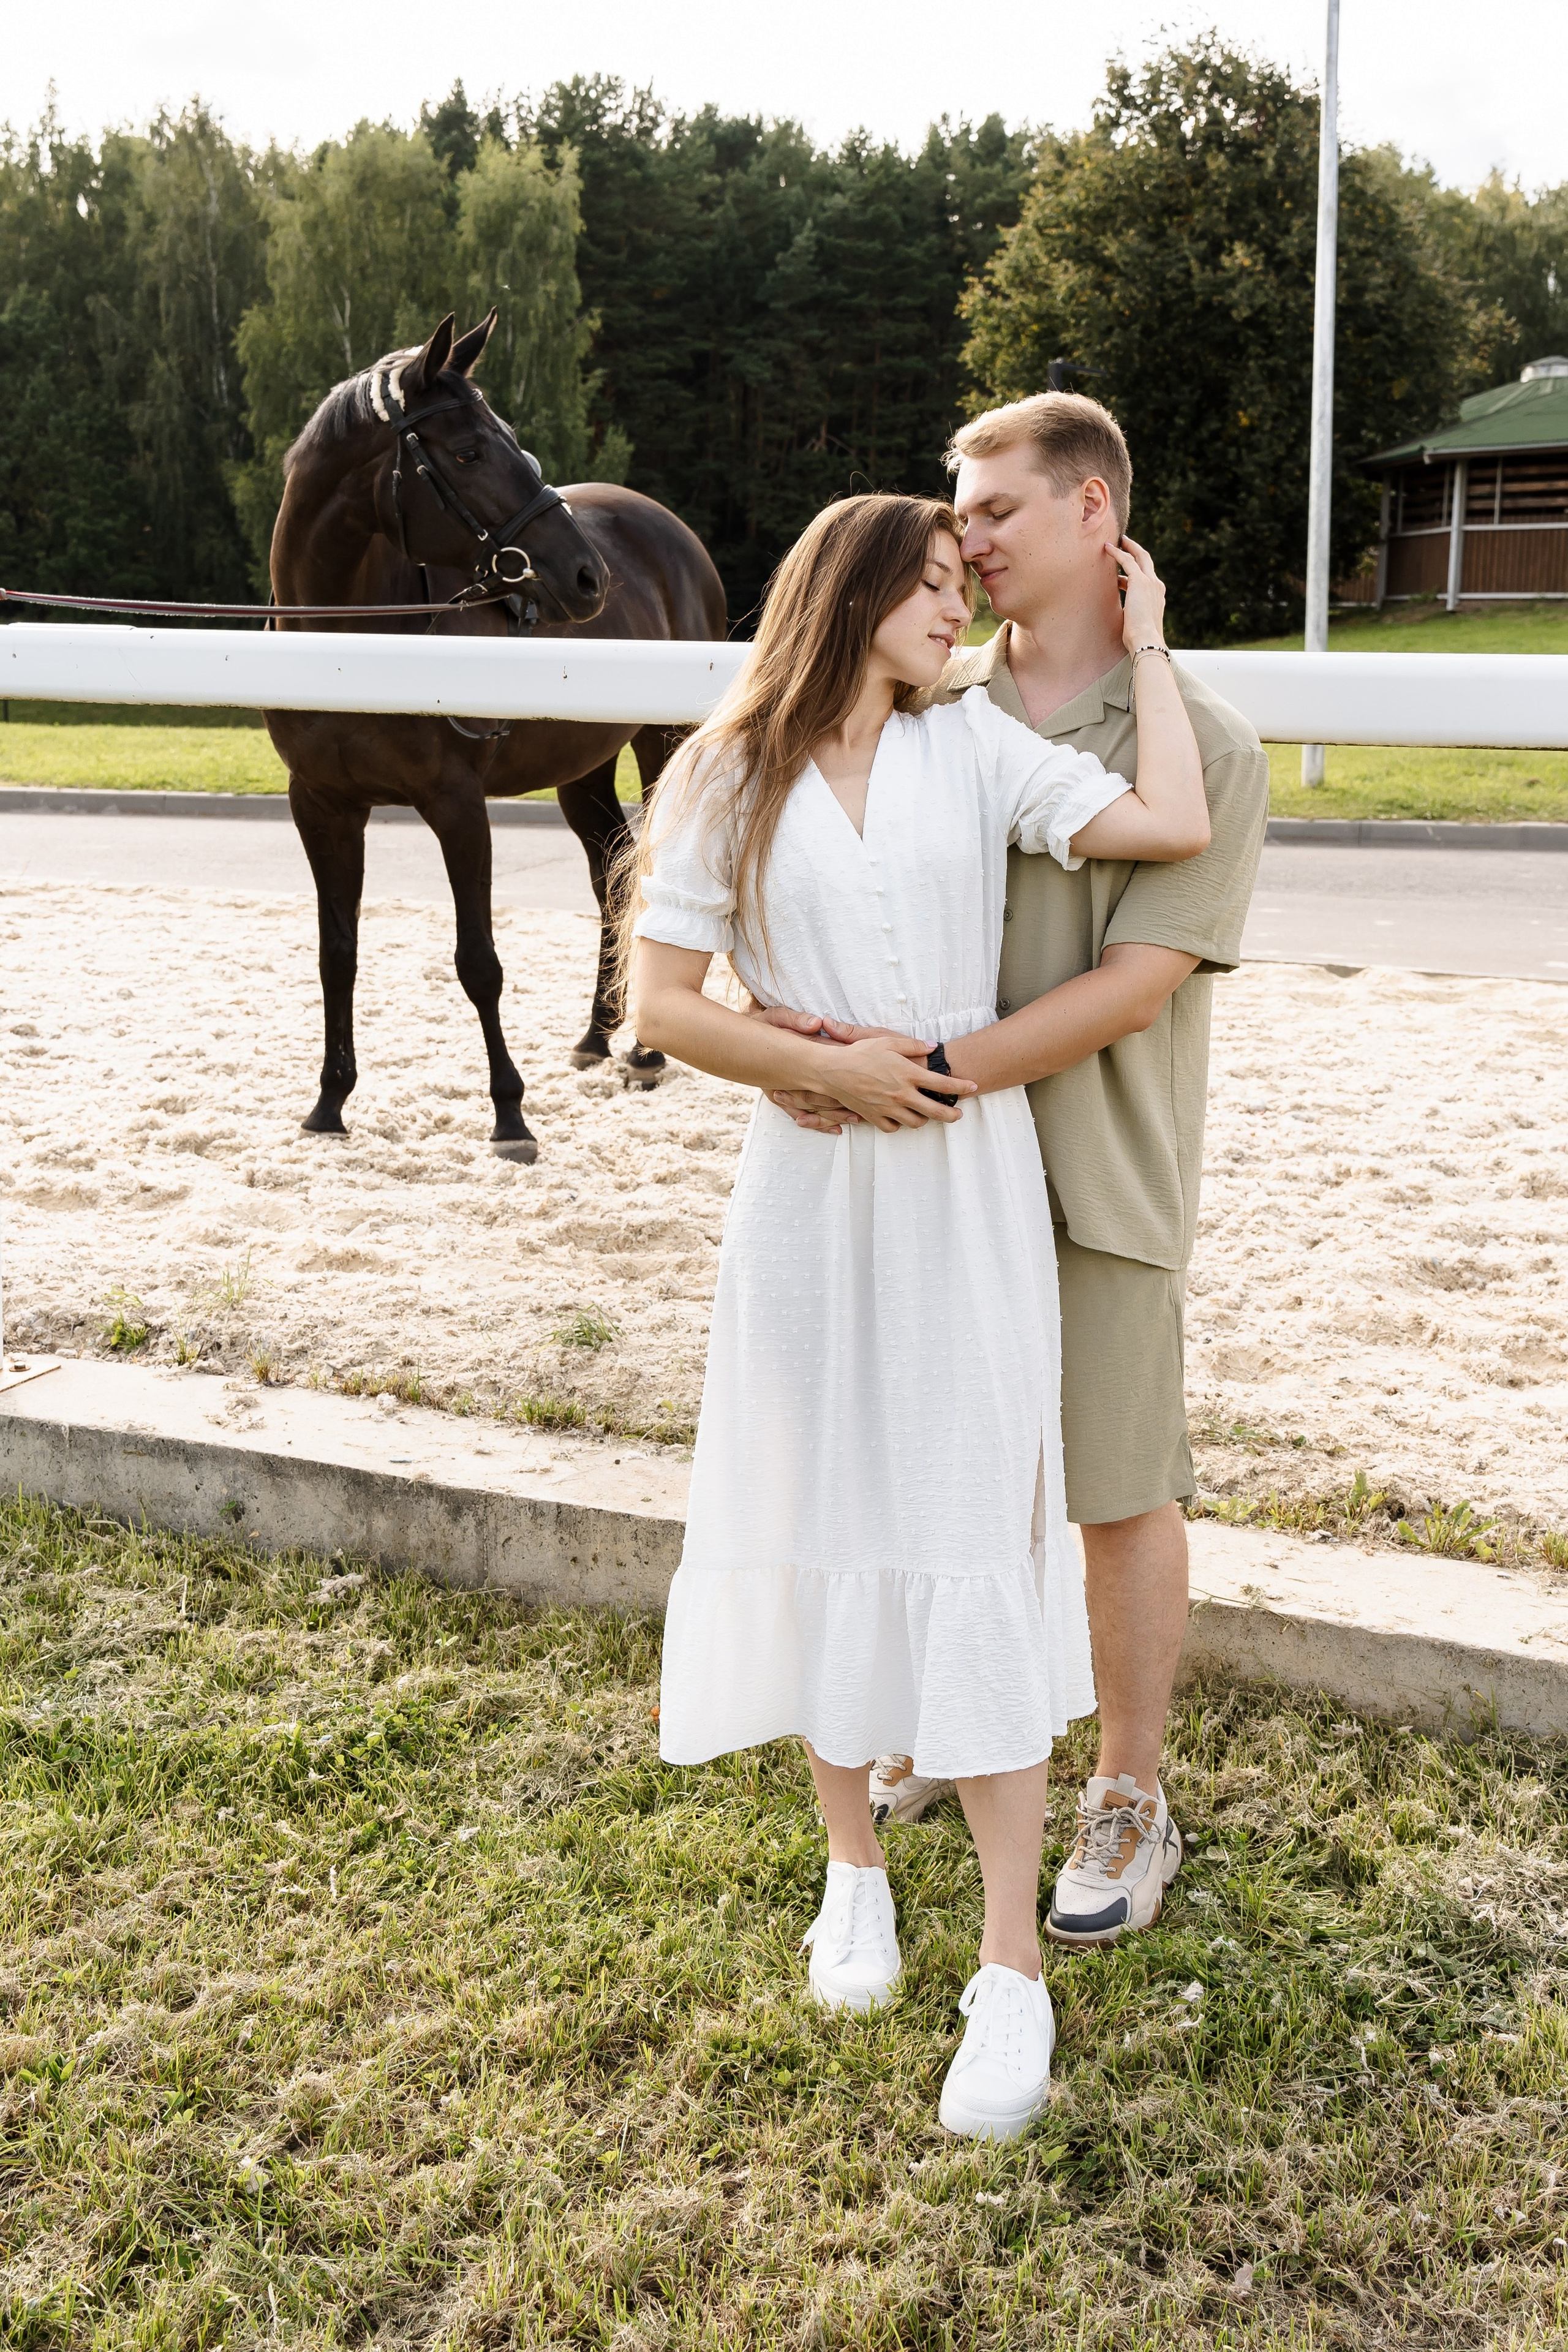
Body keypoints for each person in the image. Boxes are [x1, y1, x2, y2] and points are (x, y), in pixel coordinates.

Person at [626, 491, 1208, 2141]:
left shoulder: (977, 753)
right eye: (934, 585)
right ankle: (854, 1871)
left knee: (967, 1522)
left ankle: (1009, 1968)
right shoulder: (725, 770)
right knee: (822, 1509)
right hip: (808, 1199)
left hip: (966, 1189)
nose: (959, 611)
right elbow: (661, 1005)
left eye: (966, 582)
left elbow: (1167, 824)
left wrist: (1148, 640)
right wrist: (822, 1067)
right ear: (854, 590)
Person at [766, 396, 1269, 1950]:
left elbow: (1138, 982)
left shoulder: (1209, 746)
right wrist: (803, 1052)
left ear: (1092, 514)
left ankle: (1126, 1790)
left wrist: (911, 1079)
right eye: (954, 511)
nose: (964, 536)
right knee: (934, 1464)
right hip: (913, 1180)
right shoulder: (923, 705)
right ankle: (957, 1727)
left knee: (1114, 1489)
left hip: (1089, 1173)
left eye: (992, 509)